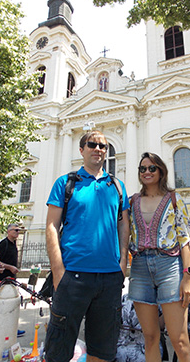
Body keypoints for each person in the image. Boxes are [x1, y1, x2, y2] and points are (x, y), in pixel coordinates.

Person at [44, 130, 130, 362]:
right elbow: (51, 226)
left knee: (102, 351)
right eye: (92, 144)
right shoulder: (66, 183)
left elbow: (124, 227)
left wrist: (122, 263)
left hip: (110, 278)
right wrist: (58, 272)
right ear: (81, 150)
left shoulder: (117, 186)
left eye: (103, 146)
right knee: (58, 350)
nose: (98, 149)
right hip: (73, 276)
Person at [127, 152, 190, 361]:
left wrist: (188, 277)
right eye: (142, 169)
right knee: (150, 338)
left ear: (161, 171)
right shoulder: (132, 202)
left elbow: (185, 239)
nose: (147, 172)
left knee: (180, 340)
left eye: (151, 168)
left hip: (169, 267)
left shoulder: (174, 199)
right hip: (139, 269)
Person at [0, 222, 26, 337]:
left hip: (12, 279)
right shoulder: (4, 244)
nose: (17, 232)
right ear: (9, 232)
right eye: (15, 230)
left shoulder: (14, 244)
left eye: (18, 230)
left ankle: (13, 328)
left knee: (13, 305)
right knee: (5, 305)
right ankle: (5, 329)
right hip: (3, 280)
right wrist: (9, 267)